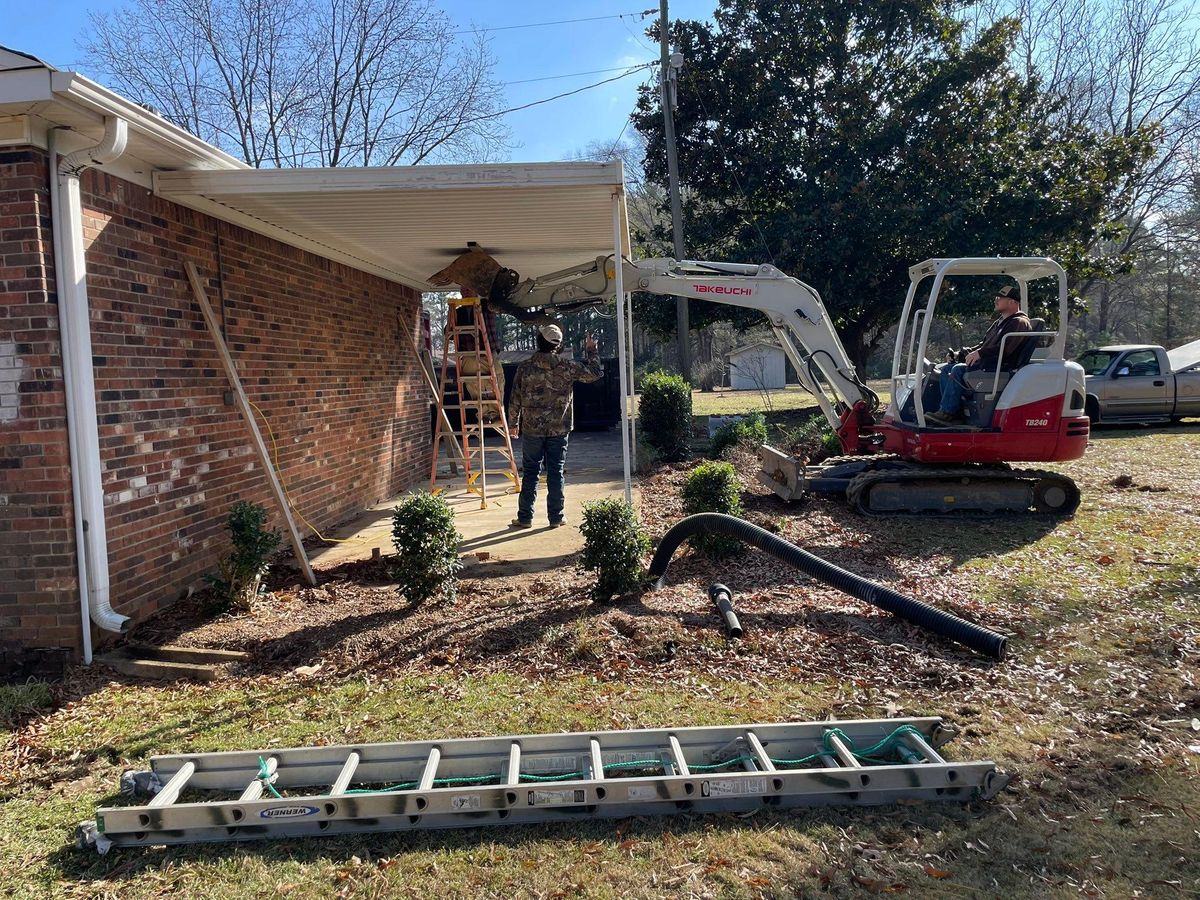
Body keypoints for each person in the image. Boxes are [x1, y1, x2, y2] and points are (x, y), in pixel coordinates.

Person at [507, 324, 604, 528]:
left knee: (531, 472)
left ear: (538, 340)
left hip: (532, 429)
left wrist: (514, 423)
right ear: (558, 345)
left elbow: (514, 397)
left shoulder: (524, 368)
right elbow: (595, 372)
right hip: (559, 429)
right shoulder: (566, 367)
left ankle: (525, 517)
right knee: (555, 471)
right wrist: (591, 349)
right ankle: (556, 517)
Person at [927, 285, 1032, 426]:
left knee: (957, 370)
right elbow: (983, 344)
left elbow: (1005, 350)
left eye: (1000, 298)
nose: (996, 300)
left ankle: (947, 413)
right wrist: (962, 354)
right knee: (947, 368)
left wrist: (980, 353)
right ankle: (953, 413)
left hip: (999, 369)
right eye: (996, 298)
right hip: (987, 365)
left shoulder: (1019, 322)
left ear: (1013, 302)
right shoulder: (999, 322)